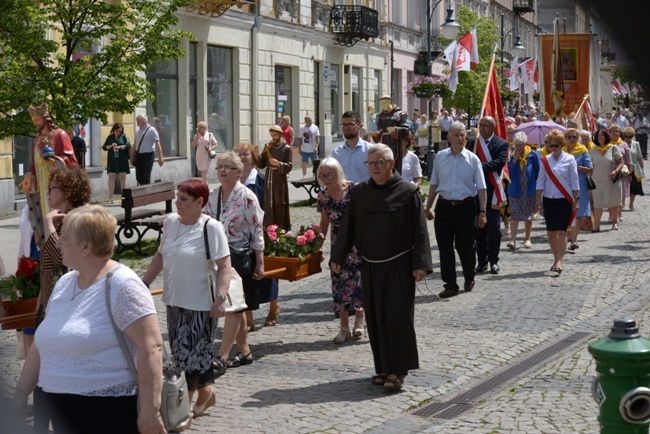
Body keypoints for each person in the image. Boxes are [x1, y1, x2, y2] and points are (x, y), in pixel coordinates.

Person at [12, 205, 165, 434]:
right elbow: (42, 346)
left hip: (108, 415)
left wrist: (150, 412)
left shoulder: (123, 284)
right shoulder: (65, 283)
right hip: (60, 414)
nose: (57, 243)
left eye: (64, 238)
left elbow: (151, 347)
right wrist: (20, 394)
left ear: (85, 247)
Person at [330, 143, 432, 391]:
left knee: (397, 318)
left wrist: (421, 264)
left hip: (399, 264)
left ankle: (399, 370)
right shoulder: (361, 192)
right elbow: (349, 226)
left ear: (391, 163)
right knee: (375, 318)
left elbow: (420, 231)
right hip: (370, 266)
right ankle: (383, 367)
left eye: (378, 163)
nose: (373, 168)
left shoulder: (408, 192)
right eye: (370, 163)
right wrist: (338, 255)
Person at [142, 179, 232, 419]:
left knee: (188, 356)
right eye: (177, 197)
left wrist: (220, 299)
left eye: (183, 199)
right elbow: (160, 256)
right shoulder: (171, 222)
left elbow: (224, 266)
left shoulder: (211, 228)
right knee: (185, 352)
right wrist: (143, 284)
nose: (177, 203)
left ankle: (182, 406)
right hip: (174, 300)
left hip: (201, 303)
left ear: (199, 202)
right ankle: (206, 393)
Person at [205, 152, 264, 369]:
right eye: (220, 166)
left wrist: (260, 262)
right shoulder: (212, 196)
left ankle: (222, 355)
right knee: (234, 305)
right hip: (217, 260)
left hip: (239, 258)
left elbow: (257, 230)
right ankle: (245, 351)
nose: (223, 170)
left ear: (239, 172)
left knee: (234, 307)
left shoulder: (247, 197)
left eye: (228, 167)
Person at [425, 121, 487, 298]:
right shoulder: (440, 157)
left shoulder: (473, 159)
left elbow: (481, 188)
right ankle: (450, 284)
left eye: (463, 135)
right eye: (457, 135)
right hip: (444, 206)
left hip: (466, 207)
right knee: (444, 248)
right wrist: (428, 207)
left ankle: (469, 274)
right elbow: (434, 183)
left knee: (466, 247)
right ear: (449, 137)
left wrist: (482, 212)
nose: (461, 138)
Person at [316, 158, 364, 344]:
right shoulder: (323, 195)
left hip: (357, 242)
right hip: (338, 245)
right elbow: (324, 223)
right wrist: (318, 247)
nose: (326, 178)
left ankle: (360, 319)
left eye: (330, 174)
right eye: (323, 175)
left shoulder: (355, 190)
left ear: (338, 172)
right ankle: (344, 327)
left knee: (359, 282)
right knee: (340, 284)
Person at [233, 142, 279, 331]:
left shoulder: (261, 181)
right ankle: (249, 318)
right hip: (240, 237)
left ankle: (274, 308)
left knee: (267, 273)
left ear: (253, 158)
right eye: (239, 154)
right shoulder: (233, 183)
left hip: (263, 231)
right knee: (245, 275)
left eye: (246, 154)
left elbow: (271, 206)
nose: (243, 157)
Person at [19, 103, 77, 218]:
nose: (35, 123)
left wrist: (56, 161)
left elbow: (72, 161)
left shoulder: (60, 135)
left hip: (55, 183)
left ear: (45, 119)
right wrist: (29, 175)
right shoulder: (37, 139)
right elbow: (33, 163)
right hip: (41, 184)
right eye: (33, 120)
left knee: (56, 214)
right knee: (42, 215)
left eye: (37, 120)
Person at [535, 130, 579, 275]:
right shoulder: (545, 160)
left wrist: (576, 200)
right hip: (549, 198)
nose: (553, 148)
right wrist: (537, 200)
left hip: (564, 199)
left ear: (562, 145)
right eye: (551, 145)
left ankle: (560, 260)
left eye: (556, 145)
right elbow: (540, 181)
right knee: (551, 232)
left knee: (562, 231)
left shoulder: (570, 159)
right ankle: (555, 258)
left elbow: (574, 181)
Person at [471, 116, 509, 275]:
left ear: (493, 127)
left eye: (486, 125)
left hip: (493, 191)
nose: (483, 127)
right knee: (479, 229)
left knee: (493, 228)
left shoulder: (501, 143)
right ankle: (481, 261)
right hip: (474, 192)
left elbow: (498, 163)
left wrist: (477, 165)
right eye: (481, 124)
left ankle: (494, 260)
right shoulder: (472, 143)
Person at [506, 132, 540, 250]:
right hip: (515, 189)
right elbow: (508, 173)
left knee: (528, 215)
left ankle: (527, 238)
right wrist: (514, 160)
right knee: (514, 214)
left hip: (529, 189)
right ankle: (513, 240)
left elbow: (538, 171)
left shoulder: (532, 155)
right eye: (517, 145)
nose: (519, 148)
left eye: (521, 145)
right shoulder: (510, 156)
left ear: (525, 144)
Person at [257, 125, 292, 231]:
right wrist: (256, 157)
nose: (273, 137)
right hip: (269, 177)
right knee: (268, 202)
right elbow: (262, 164)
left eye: (275, 135)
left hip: (279, 178)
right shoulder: (268, 147)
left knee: (279, 202)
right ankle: (269, 227)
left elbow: (289, 166)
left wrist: (278, 164)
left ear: (280, 134)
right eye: (272, 135)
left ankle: (281, 227)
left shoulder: (287, 148)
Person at [563, 128, 593, 250]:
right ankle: (568, 235)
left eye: (574, 137)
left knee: (579, 212)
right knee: (566, 212)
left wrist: (577, 167)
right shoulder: (561, 150)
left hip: (580, 184)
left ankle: (574, 239)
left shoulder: (582, 150)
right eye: (569, 137)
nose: (572, 139)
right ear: (565, 138)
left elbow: (590, 168)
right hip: (564, 185)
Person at [589, 129, 624, 232]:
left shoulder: (613, 148)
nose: (600, 137)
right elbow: (590, 166)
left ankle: (615, 223)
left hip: (611, 180)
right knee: (597, 203)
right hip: (597, 180)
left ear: (606, 136)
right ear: (596, 138)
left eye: (602, 135)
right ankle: (596, 225)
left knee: (613, 202)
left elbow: (621, 163)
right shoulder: (593, 150)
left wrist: (616, 172)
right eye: (598, 135)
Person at [372, 95, 410, 174]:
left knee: (393, 166)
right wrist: (375, 134)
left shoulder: (400, 114)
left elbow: (406, 131)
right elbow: (378, 130)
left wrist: (395, 129)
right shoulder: (379, 116)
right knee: (382, 164)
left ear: (390, 102)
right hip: (382, 143)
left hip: (394, 143)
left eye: (385, 103)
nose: (383, 106)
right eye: (382, 104)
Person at [331, 111, 371, 183]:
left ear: (360, 126)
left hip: (365, 193)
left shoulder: (370, 150)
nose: (346, 128)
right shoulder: (336, 153)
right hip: (343, 193)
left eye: (350, 124)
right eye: (344, 124)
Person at [102, 123, 131, 203]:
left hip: (122, 160)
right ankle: (110, 197)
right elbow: (104, 147)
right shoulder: (110, 137)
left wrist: (120, 147)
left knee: (123, 178)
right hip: (112, 160)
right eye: (117, 131)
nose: (119, 132)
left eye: (120, 131)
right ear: (114, 130)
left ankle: (123, 198)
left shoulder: (124, 136)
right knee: (111, 177)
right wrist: (111, 146)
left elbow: (128, 145)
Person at [134, 114, 164, 186]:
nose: (137, 123)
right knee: (138, 176)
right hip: (139, 155)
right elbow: (135, 144)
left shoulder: (152, 130)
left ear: (143, 121)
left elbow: (158, 144)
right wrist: (132, 156)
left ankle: (146, 192)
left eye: (138, 122)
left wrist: (160, 158)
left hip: (148, 155)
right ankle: (143, 190)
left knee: (146, 176)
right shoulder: (139, 131)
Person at [612, 125, 632, 217]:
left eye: (617, 131)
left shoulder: (624, 144)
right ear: (609, 133)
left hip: (622, 171)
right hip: (610, 171)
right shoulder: (607, 144)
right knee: (611, 193)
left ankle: (619, 213)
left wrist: (630, 173)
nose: (615, 133)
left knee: (621, 193)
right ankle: (611, 214)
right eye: (613, 131)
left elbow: (628, 160)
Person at [623, 126, 645, 210]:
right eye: (626, 136)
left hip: (635, 169)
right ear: (624, 135)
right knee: (624, 186)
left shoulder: (636, 144)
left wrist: (642, 169)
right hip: (624, 169)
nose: (628, 138)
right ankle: (623, 203)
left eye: (630, 136)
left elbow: (639, 157)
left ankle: (631, 204)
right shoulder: (621, 144)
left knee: (634, 187)